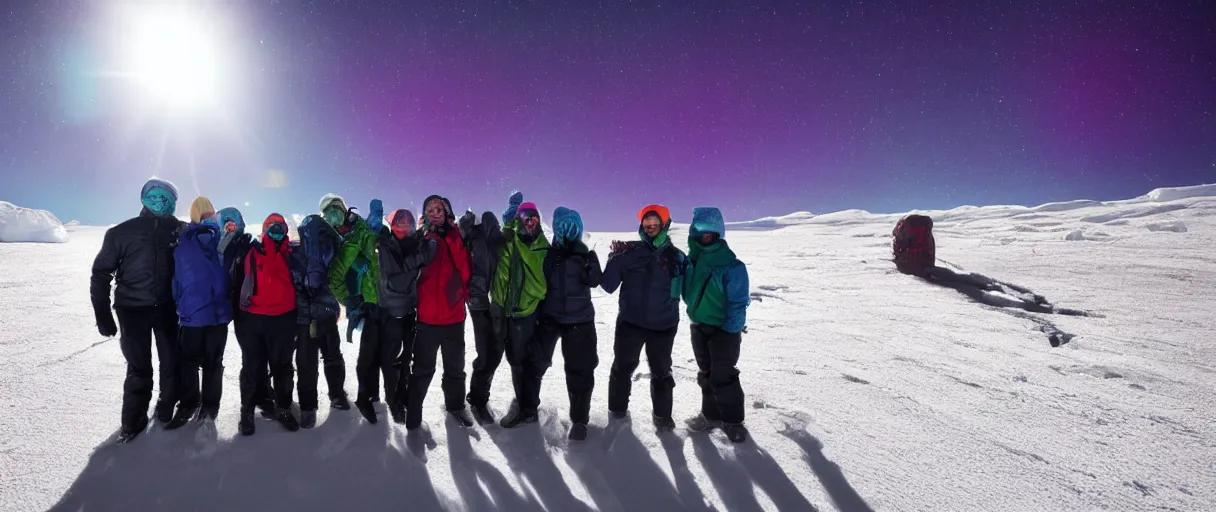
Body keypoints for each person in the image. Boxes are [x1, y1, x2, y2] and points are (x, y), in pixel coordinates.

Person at [91, 178, 187, 443]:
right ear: (143, 199)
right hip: (131, 309)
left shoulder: (180, 230)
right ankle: (133, 422)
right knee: (139, 367)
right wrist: (103, 314)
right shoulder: (121, 233)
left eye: (165, 198)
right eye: (154, 197)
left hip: (168, 308)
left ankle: (167, 404)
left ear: (173, 202)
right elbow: (101, 273)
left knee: (171, 361)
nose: (159, 202)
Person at [600, 204, 686, 432]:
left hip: (664, 326)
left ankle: (663, 416)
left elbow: (690, 291)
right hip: (631, 324)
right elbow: (608, 285)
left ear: (664, 224)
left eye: (655, 222)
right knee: (621, 368)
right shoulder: (629, 252)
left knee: (661, 372)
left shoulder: (678, 257)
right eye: (646, 222)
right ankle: (617, 412)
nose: (650, 226)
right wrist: (614, 257)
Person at [681, 207, 751, 443]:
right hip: (699, 325)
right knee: (707, 373)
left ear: (718, 233)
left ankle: (733, 421)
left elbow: (739, 301)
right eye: (700, 232)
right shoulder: (691, 261)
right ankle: (710, 415)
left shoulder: (731, 265)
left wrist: (730, 330)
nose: (705, 236)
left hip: (724, 329)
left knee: (724, 375)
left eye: (710, 232)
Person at [406, 194, 474, 429]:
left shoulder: (457, 236)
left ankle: (456, 406)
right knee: (422, 369)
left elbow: (465, 271)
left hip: (454, 316)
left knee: (455, 368)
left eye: (439, 208)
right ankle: (412, 416)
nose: (435, 212)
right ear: (424, 214)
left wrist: (451, 235)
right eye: (430, 209)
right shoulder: (418, 237)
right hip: (427, 317)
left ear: (447, 212)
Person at [166, 196, 232, 430]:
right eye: (203, 212)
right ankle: (201, 406)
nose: (206, 216)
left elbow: (175, 279)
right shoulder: (220, 239)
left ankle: (198, 405)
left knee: (194, 363)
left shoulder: (187, 241)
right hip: (209, 314)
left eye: (208, 213)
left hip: (200, 313)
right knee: (205, 363)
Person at [488, 193, 552, 428]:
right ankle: (523, 403)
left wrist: (515, 241)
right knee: (514, 360)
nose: (530, 222)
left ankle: (529, 407)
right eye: (525, 217)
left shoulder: (542, 246)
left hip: (527, 314)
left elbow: (540, 285)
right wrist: (507, 228)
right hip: (504, 311)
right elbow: (497, 268)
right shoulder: (508, 240)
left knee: (528, 362)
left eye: (534, 218)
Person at [538, 207, 602, 440]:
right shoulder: (548, 253)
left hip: (580, 320)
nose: (566, 231)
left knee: (580, 370)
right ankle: (527, 407)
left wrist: (591, 262)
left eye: (571, 226)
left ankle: (580, 420)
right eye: (561, 226)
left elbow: (595, 281)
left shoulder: (585, 254)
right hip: (551, 318)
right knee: (535, 362)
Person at [235, 213, 300, 434]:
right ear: (263, 230)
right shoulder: (251, 250)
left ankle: (283, 408)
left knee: (282, 367)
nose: (276, 230)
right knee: (253, 367)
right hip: (254, 318)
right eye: (272, 227)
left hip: (284, 318)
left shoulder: (293, 253)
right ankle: (247, 411)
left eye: (280, 227)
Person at [321, 194, 384, 423]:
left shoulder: (359, 228)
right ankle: (364, 396)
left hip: (385, 299)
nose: (333, 216)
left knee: (382, 351)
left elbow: (376, 251)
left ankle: (374, 394)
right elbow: (334, 277)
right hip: (367, 303)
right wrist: (350, 300)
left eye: (335, 210)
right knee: (368, 353)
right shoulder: (343, 240)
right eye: (327, 214)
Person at [290, 213, 351, 429]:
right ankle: (313, 405)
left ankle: (325, 400)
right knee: (316, 361)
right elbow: (297, 287)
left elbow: (336, 280)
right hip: (313, 317)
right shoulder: (324, 251)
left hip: (315, 316)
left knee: (321, 359)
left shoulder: (326, 252)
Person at [218, 206, 277, 420]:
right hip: (237, 310)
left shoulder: (250, 243)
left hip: (256, 308)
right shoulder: (218, 247)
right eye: (225, 221)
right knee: (251, 357)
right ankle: (248, 406)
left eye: (233, 221)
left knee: (262, 354)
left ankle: (264, 396)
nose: (230, 224)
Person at [377, 208, 435, 424]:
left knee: (406, 360)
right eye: (399, 222)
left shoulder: (411, 243)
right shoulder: (386, 245)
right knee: (392, 362)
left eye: (408, 222)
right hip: (392, 313)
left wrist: (423, 241)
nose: (404, 226)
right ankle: (393, 401)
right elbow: (397, 281)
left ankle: (404, 397)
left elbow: (421, 254)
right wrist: (418, 259)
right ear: (391, 224)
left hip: (409, 312)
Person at [459, 209, 503, 425]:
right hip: (477, 300)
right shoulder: (469, 233)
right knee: (487, 352)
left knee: (495, 352)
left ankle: (478, 396)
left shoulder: (497, 239)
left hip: (498, 301)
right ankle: (477, 400)